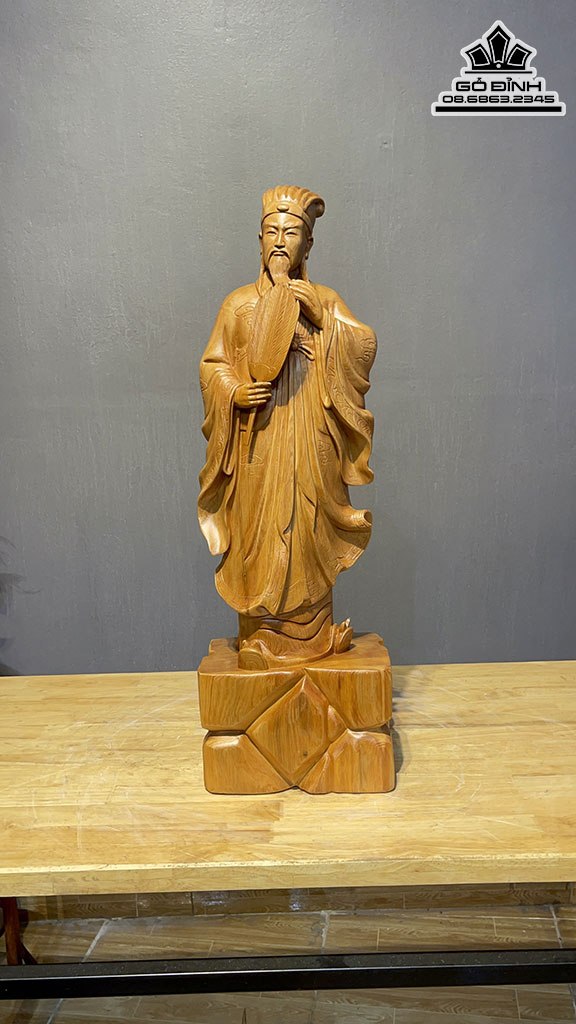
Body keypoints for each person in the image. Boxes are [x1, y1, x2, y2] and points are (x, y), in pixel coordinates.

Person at [198, 186, 377, 668]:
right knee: (260, 533)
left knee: (308, 529)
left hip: (311, 437)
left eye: (292, 232)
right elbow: (213, 366)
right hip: (258, 439)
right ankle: (262, 636)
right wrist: (234, 392)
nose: (280, 241)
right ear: (259, 240)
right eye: (272, 232)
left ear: (308, 244)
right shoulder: (238, 304)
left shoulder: (325, 299)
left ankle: (316, 638)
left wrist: (323, 322)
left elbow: (363, 346)